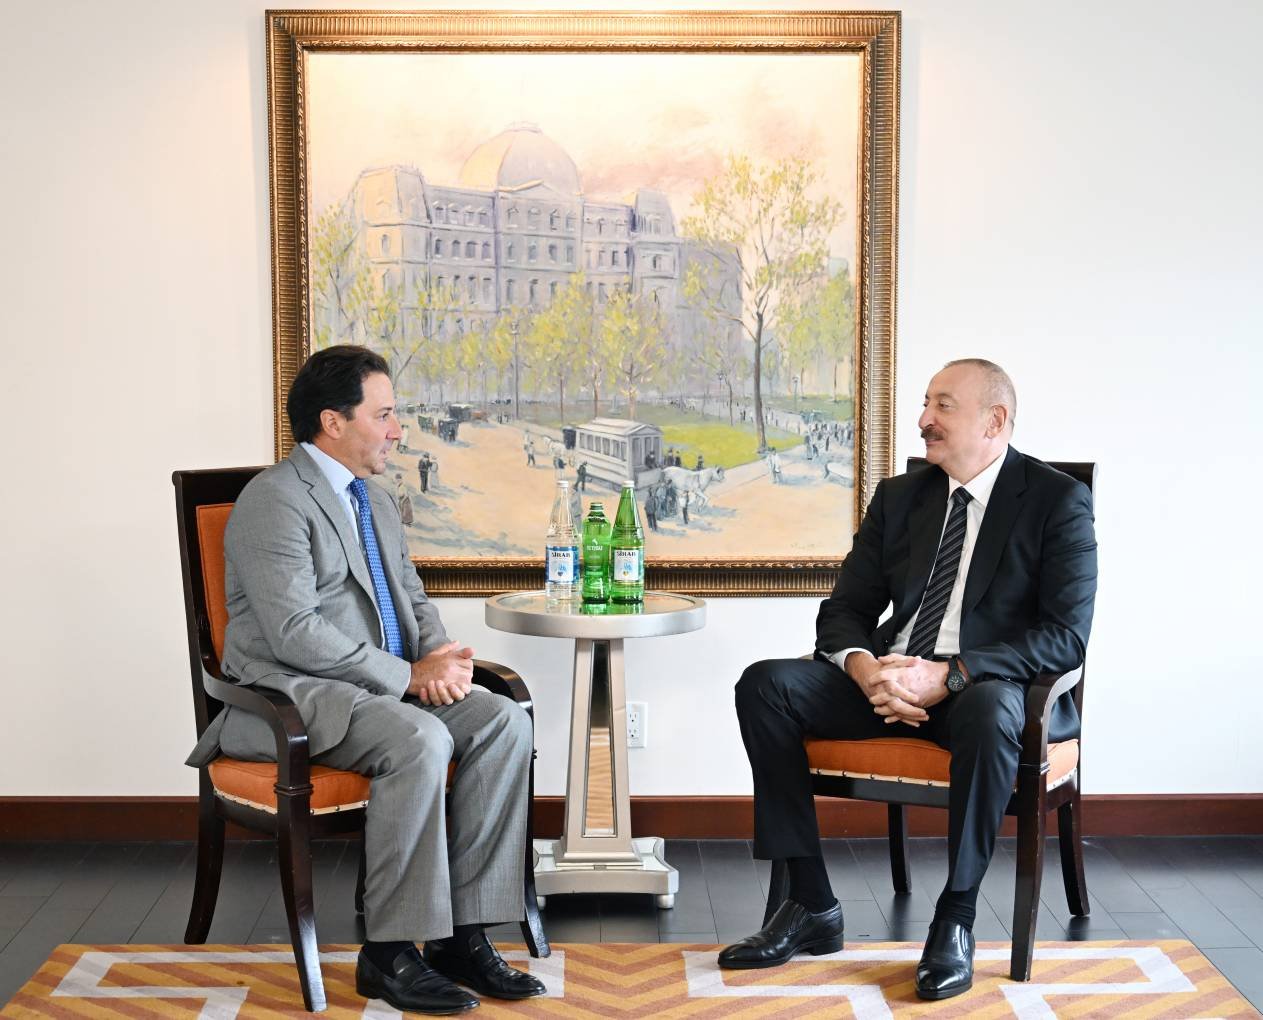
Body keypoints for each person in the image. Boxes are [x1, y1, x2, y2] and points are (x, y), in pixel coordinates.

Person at [721, 359, 1097, 1002]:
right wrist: (865, 668)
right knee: (765, 685)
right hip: (889, 680)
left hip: (982, 690)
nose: (924, 419)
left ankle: (955, 919)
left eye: (943, 405)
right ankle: (810, 902)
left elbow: (1065, 637)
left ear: (995, 420)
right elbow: (844, 610)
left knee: (989, 711)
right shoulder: (901, 497)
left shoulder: (1055, 501)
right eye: (927, 403)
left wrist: (950, 675)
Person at [185, 345, 545, 1013]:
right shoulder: (273, 500)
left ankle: (461, 937)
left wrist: (441, 662)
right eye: (384, 415)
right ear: (333, 422)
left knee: (502, 720)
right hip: (290, 698)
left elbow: (412, 597)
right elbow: (294, 633)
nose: (397, 430)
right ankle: (388, 953)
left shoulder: (373, 500)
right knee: (418, 739)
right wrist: (407, 676)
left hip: (377, 690)